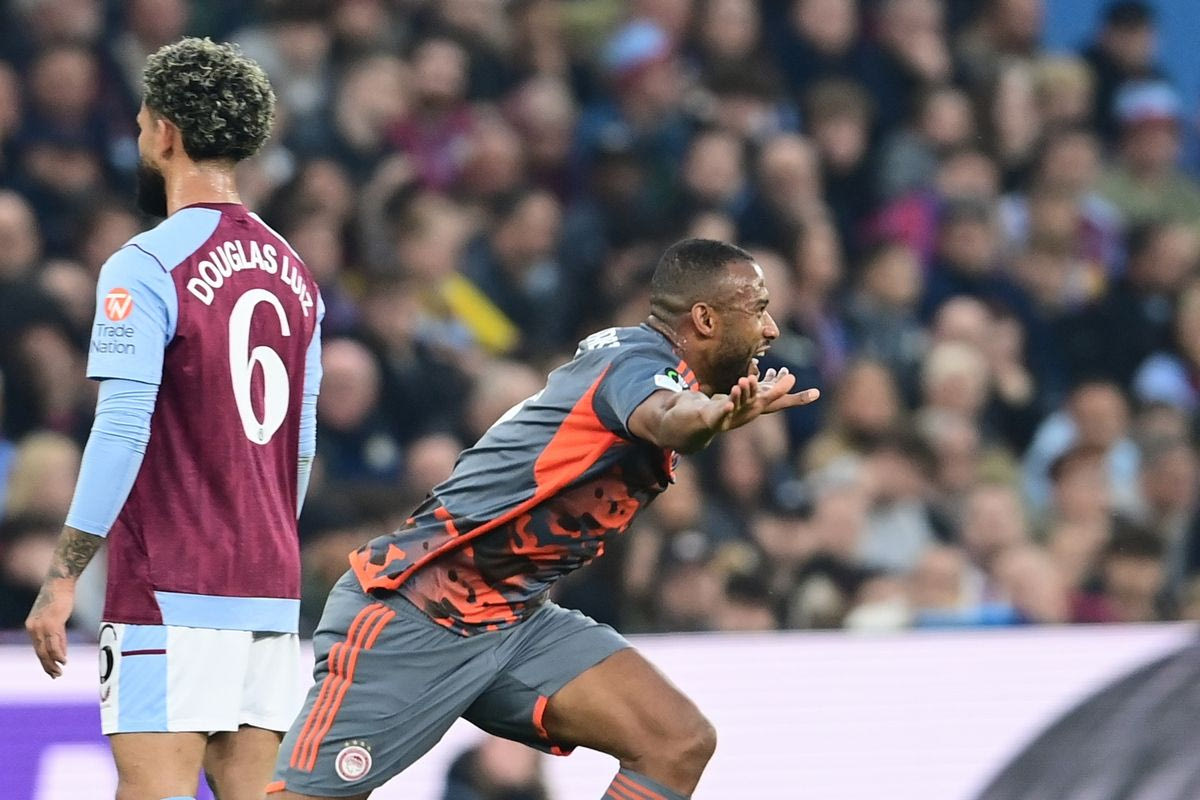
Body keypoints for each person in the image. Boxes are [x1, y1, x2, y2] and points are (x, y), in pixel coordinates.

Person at [268, 239, 819, 799]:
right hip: (418, 610)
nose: (771, 328)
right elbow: (667, 416)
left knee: (676, 742)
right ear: (704, 319)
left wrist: (706, 411)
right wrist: (710, 417)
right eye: (758, 308)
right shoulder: (636, 366)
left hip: (515, 618)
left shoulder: (646, 366)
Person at [23, 38, 323, 800]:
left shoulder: (146, 264)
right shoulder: (295, 273)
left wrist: (63, 577)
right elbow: (301, 446)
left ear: (166, 133)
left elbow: (121, 430)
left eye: (139, 124)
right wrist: (262, 544)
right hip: (268, 586)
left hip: (171, 588)